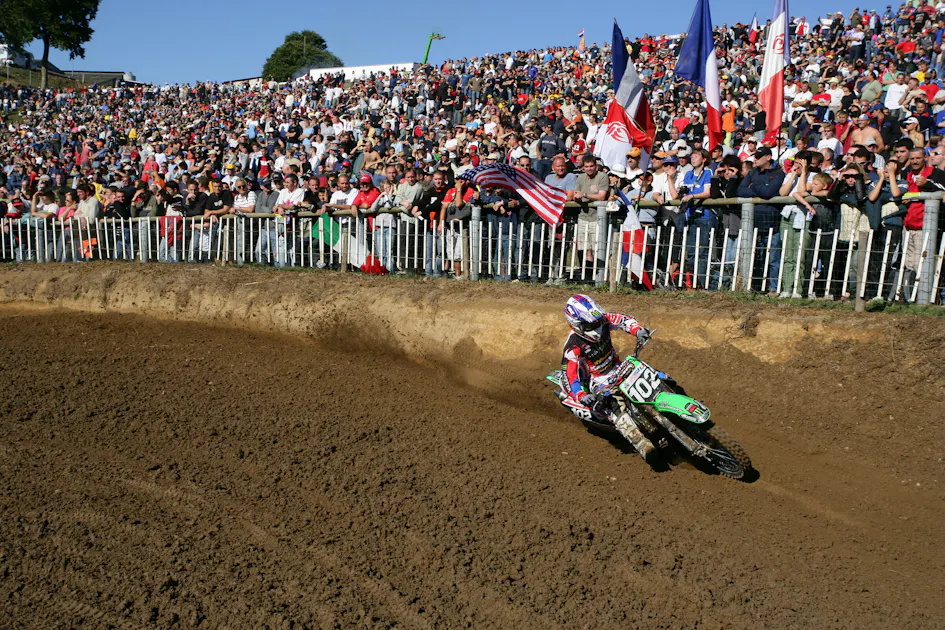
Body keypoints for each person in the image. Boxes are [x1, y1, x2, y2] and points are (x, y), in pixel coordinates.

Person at [556, 294, 654, 460]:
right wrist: (580, 394)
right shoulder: (573, 345)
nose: (598, 327)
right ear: (578, 325)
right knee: (612, 403)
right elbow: (570, 374)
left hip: (617, 366)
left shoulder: (603, 320)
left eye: (597, 322)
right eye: (591, 324)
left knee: (655, 375)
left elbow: (623, 319)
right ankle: (640, 442)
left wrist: (637, 330)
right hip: (597, 379)